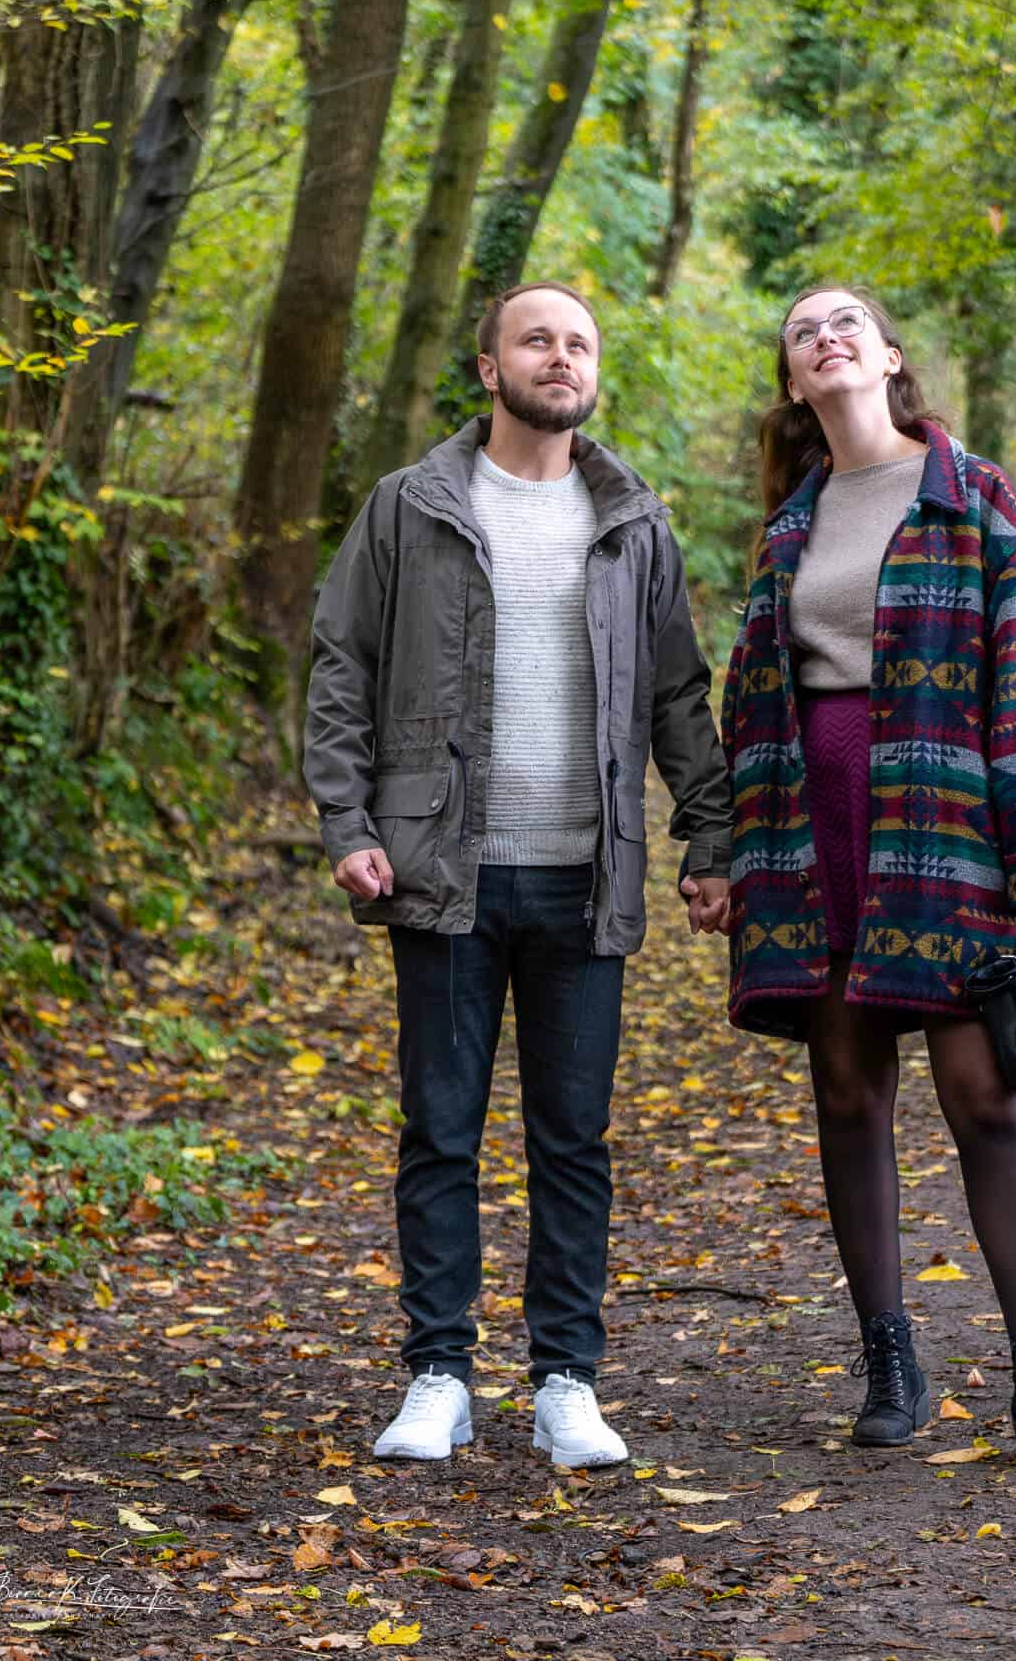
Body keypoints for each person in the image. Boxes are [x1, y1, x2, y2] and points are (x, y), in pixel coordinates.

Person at [305, 281, 731, 1469]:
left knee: (572, 1136)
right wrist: (346, 819)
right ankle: (438, 1372)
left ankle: (565, 1380)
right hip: (442, 866)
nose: (560, 355)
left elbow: (677, 696)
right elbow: (343, 662)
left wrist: (712, 840)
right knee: (439, 1128)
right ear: (490, 366)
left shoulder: (633, 520)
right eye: (537, 338)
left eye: (579, 341)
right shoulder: (409, 507)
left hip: (584, 875)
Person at [715, 284, 1016, 1469]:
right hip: (814, 828)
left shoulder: (972, 496)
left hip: (947, 827)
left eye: (847, 322)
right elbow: (750, 699)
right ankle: (889, 1357)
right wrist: (731, 848)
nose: (826, 336)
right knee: (847, 1091)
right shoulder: (789, 527)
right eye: (803, 331)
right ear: (795, 381)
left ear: (889, 357)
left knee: (985, 1093)